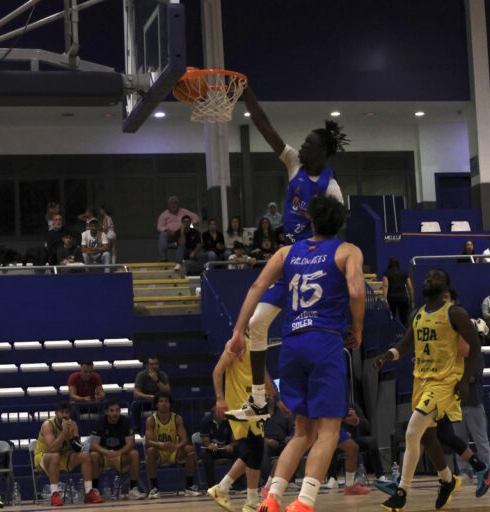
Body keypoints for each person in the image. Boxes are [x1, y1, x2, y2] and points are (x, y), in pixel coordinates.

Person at [227, 195, 363, 512]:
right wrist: (358, 327)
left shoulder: (287, 252)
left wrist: (238, 331)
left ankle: (272, 498)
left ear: (311, 222)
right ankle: (304, 502)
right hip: (324, 341)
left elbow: (255, 288)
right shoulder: (347, 250)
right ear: (340, 222)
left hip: (291, 343)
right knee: (329, 431)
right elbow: (356, 291)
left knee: (302, 432)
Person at [228, 86, 348, 427]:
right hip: (288, 263)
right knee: (255, 324)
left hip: (312, 267)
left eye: (309, 143)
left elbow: (338, 228)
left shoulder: (330, 187)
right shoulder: (294, 163)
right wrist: (247, 95)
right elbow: (266, 128)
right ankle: (259, 399)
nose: (302, 145)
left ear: (323, 151)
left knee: (300, 334)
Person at [372, 269, 490, 512]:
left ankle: (402, 491)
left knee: (412, 432)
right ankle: (448, 479)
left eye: (436, 276)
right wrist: (387, 355)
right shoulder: (417, 314)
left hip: (444, 383)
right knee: (429, 437)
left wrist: (465, 379)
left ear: (445, 287)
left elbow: (476, 345)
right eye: (428, 276)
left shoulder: (454, 313)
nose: (429, 278)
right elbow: (406, 344)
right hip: (421, 382)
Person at [208, 337, 279, 512]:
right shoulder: (236, 344)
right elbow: (217, 371)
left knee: (254, 450)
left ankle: (232, 493)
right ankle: (244, 497)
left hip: (255, 403)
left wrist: (276, 398)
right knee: (253, 448)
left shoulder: (256, 345)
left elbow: (263, 375)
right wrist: (219, 398)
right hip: (240, 403)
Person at [35, 400, 104, 506]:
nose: (64, 415)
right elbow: (52, 448)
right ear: (56, 413)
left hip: (63, 456)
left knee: (85, 455)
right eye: (62, 412)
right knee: (55, 455)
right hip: (44, 456)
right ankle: (55, 494)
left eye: (67, 412)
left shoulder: (73, 424)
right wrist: (63, 433)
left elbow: (77, 449)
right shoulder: (48, 425)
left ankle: (89, 492)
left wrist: (72, 437)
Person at [144, 391, 201, 498]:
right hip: (159, 451)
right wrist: (159, 444)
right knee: (150, 451)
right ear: (156, 404)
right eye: (161, 401)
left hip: (174, 451)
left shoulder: (177, 418)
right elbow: (148, 441)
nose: (164, 403)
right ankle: (154, 488)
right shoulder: (151, 419)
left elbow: (184, 439)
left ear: (170, 404)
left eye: (166, 401)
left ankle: (188, 486)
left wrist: (176, 446)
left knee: (190, 449)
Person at [89, 398, 145, 500]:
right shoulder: (99, 423)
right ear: (106, 412)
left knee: (134, 454)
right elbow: (94, 445)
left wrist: (118, 453)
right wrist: (107, 452)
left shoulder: (126, 422)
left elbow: (130, 444)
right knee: (93, 455)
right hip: (104, 456)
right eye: (112, 410)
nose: (115, 413)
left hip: (121, 456)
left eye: (117, 410)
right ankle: (95, 490)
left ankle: (133, 489)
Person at [453, 353, 490, 482]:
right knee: (460, 441)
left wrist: (455, 377)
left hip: (474, 403)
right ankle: (465, 471)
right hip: (456, 404)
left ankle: (486, 470)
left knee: (481, 440)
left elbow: (472, 378)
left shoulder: (476, 356)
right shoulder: (452, 355)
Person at [199, 407, 237, 492]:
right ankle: (212, 487)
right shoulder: (206, 421)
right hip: (211, 450)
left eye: (225, 410)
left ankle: (237, 485)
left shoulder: (230, 420)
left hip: (225, 449)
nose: (224, 412)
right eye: (221, 410)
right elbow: (206, 442)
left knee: (240, 453)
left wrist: (231, 445)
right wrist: (209, 445)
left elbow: (235, 440)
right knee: (206, 456)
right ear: (213, 409)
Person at [157, 196, 200, 262]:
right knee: (162, 235)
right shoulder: (164, 214)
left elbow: (196, 218)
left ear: (178, 204)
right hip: (170, 234)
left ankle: (179, 260)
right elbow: (159, 226)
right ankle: (163, 259)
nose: (173, 205)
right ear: (168, 205)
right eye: (171, 203)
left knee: (184, 237)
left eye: (175, 203)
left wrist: (190, 226)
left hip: (182, 233)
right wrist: (167, 230)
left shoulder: (184, 211)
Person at [383, 257, 414, 326]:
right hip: (403, 297)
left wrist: (384, 298)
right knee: (404, 318)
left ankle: (393, 333)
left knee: (392, 317)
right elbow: (410, 287)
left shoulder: (387, 273)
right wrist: (412, 300)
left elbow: (385, 285)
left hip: (391, 297)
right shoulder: (404, 273)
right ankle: (403, 333)